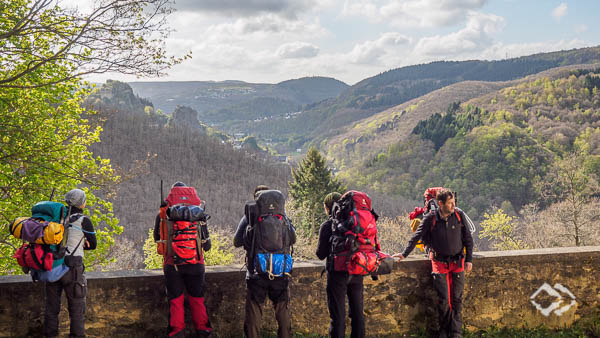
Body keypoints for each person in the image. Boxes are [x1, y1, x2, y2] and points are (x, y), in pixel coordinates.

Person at [393, 188, 473, 338]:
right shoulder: (431, 217)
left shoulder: (459, 215)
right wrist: (404, 253)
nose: (453, 205)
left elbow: (468, 239)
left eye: (453, 202)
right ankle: (447, 332)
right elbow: (417, 236)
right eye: (449, 203)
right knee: (444, 300)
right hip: (439, 262)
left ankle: (454, 333)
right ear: (440, 203)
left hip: (457, 262)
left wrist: (469, 259)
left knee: (456, 299)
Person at [233, 185, 296, 338]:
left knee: (254, 311)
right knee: (282, 310)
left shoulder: (250, 217)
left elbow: (237, 241)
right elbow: (293, 239)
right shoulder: (283, 217)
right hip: (280, 270)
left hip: (257, 272)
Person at [154, 182, 212, 337]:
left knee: (176, 301)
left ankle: (177, 332)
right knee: (197, 299)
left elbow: (157, 239)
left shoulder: (164, 214)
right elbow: (207, 246)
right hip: (196, 264)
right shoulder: (198, 214)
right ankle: (203, 331)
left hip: (172, 265)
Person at [44, 188, 97, 338]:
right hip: (73, 268)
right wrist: (83, 241)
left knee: (51, 308)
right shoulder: (83, 220)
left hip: (53, 265)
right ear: (81, 203)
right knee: (77, 309)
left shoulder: (55, 219)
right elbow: (93, 244)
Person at [316, 192, 365, 338]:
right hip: (356, 270)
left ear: (328, 207)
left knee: (338, 315)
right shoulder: (355, 222)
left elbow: (320, 254)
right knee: (357, 313)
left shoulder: (328, 225)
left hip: (337, 273)